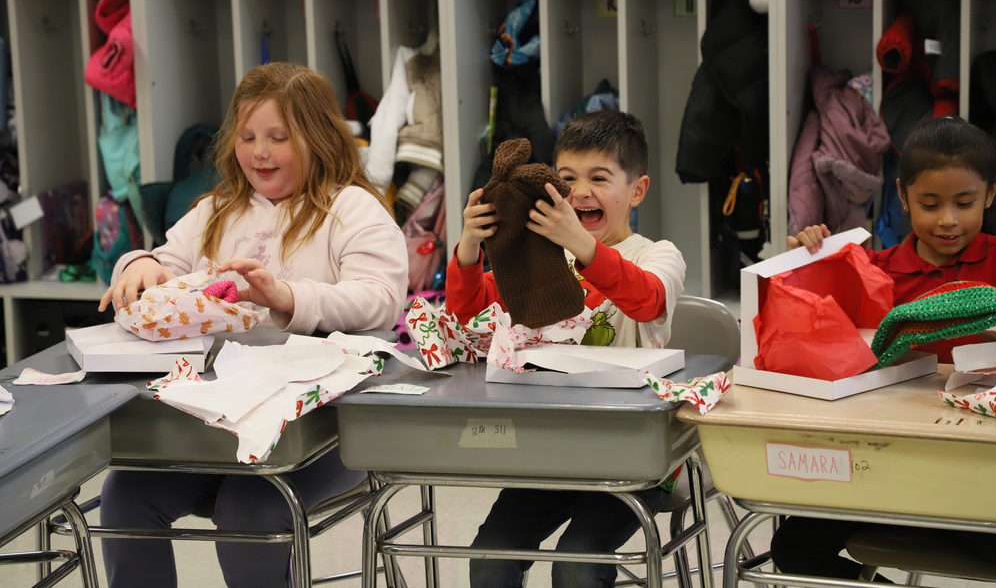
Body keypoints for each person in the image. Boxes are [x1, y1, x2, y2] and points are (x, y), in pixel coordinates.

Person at [96, 62, 408, 588]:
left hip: (325, 432)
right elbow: (163, 266)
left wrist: (285, 297)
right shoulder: (218, 209)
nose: (259, 151)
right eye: (247, 137)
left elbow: (380, 302)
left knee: (247, 510)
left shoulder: (351, 209)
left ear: (318, 139)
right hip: (212, 429)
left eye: (278, 137)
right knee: (124, 494)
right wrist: (139, 264)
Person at [775, 115, 996, 580]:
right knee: (794, 551)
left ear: (990, 194)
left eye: (964, 203)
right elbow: (811, 337)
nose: (947, 220)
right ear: (903, 197)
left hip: (977, 467)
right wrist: (808, 265)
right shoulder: (874, 270)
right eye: (930, 203)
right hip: (885, 459)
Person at [445, 110, 686, 588]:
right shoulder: (539, 257)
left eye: (599, 178)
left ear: (637, 191)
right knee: (489, 559)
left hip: (634, 457)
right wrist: (470, 244)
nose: (579, 192)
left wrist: (580, 245)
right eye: (568, 178)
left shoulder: (659, 254)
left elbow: (647, 299)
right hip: (552, 451)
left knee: (576, 566)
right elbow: (471, 315)